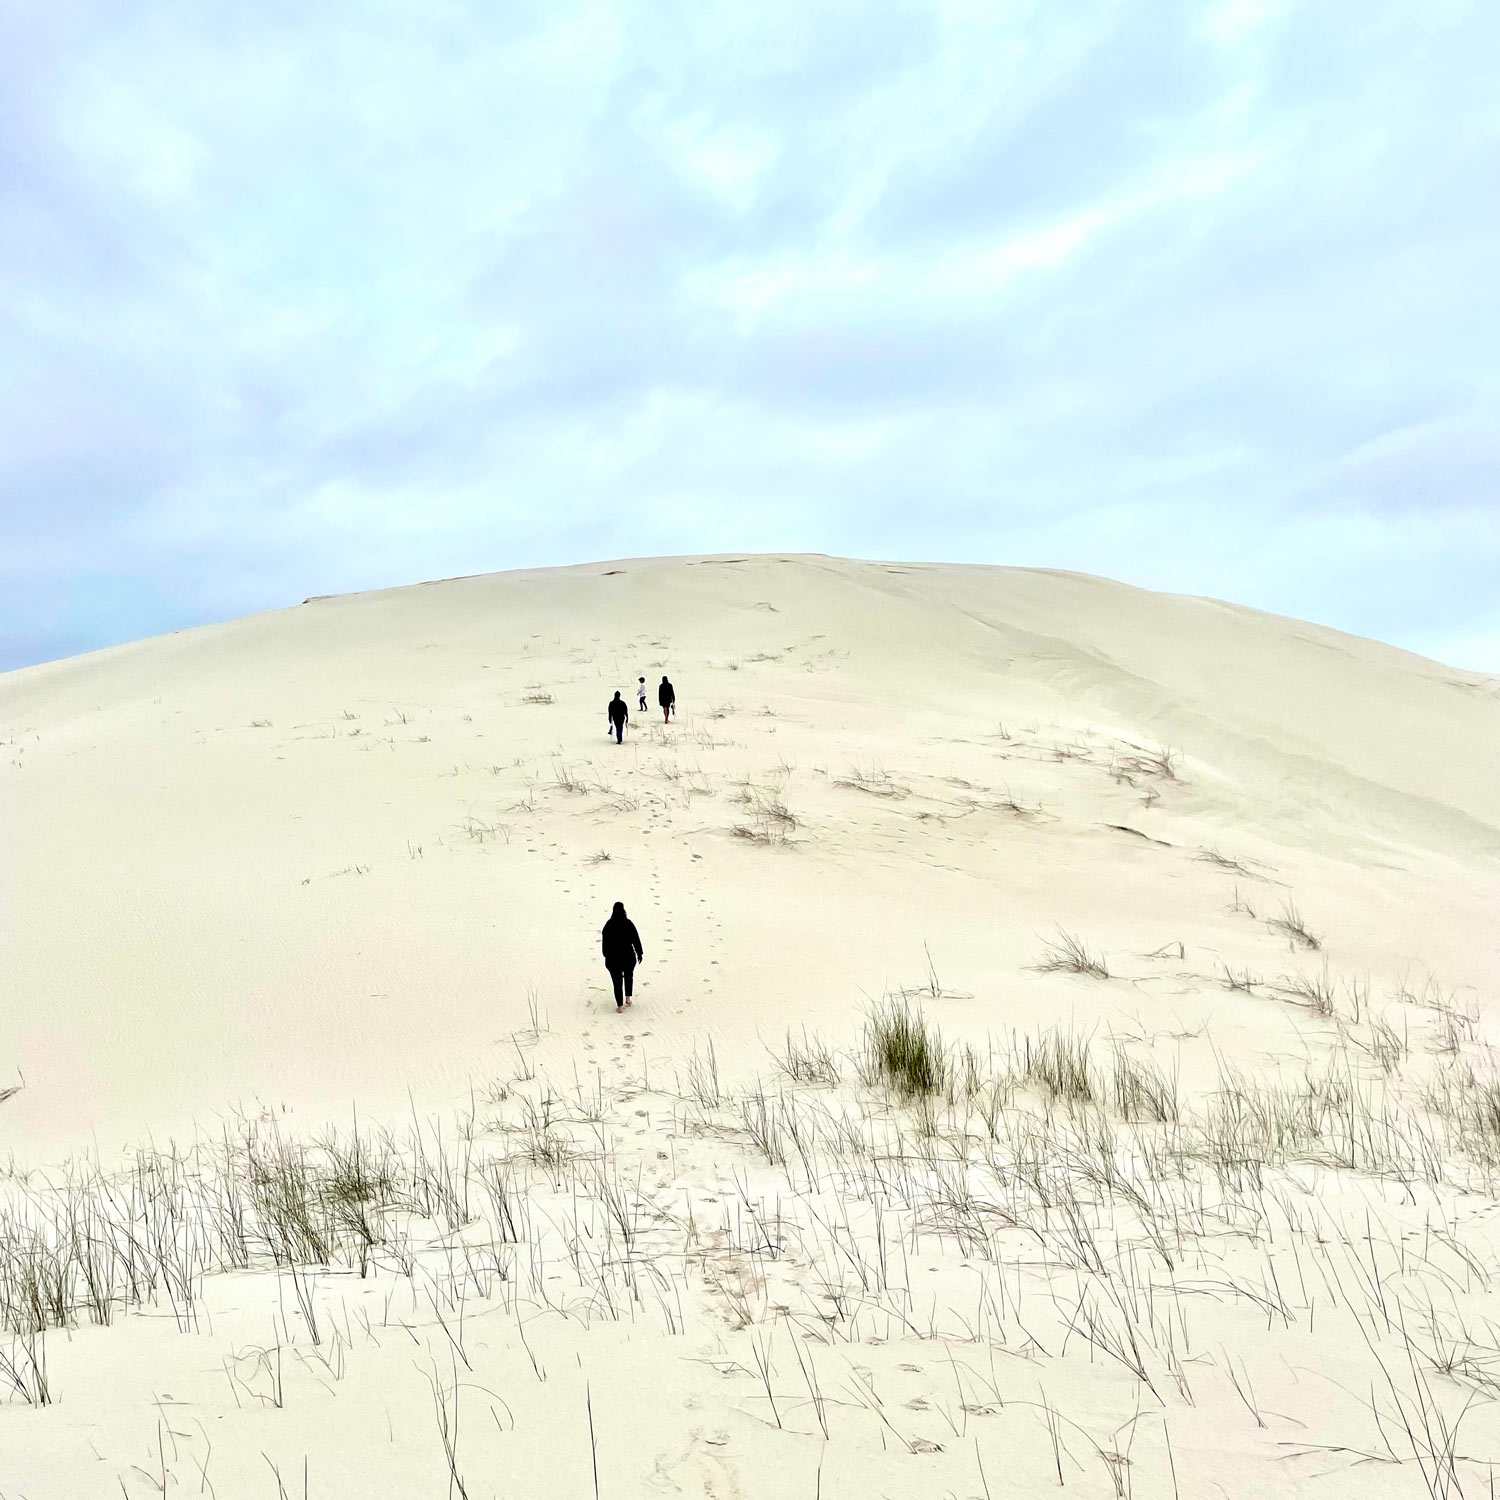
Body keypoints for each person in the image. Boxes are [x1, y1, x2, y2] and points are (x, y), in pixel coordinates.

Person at [600, 901, 643, 1011]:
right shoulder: (628, 923)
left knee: (617, 981)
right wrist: (639, 953)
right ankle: (628, 998)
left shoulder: (608, 925)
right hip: (628, 956)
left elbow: (605, 943)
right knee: (629, 976)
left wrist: (606, 955)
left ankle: (619, 1006)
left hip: (613, 958)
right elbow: (636, 939)